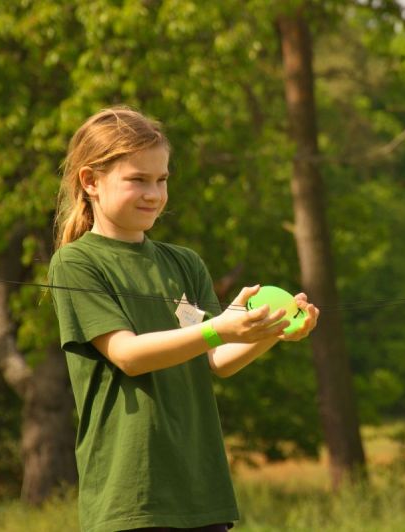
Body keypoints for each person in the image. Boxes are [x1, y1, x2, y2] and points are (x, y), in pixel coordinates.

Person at [48, 106, 319, 532]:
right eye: (137, 179)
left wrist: (270, 332)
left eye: (162, 179)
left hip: (200, 490)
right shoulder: (76, 263)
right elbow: (128, 355)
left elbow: (217, 359)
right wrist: (219, 328)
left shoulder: (184, 263)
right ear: (91, 182)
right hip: (131, 496)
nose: (154, 193)